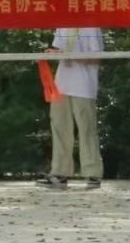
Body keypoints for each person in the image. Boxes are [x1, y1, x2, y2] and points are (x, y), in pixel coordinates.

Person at [36, 28, 104, 190]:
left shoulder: (91, 26)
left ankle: (93, 174)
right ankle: (59, 173)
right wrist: (52, 54)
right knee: (59, 128)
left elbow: (96, 58)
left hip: (83, 86)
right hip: (62, 85)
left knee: (86, 130)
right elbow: (59, 51)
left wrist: (69, 56)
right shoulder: (62, 25)